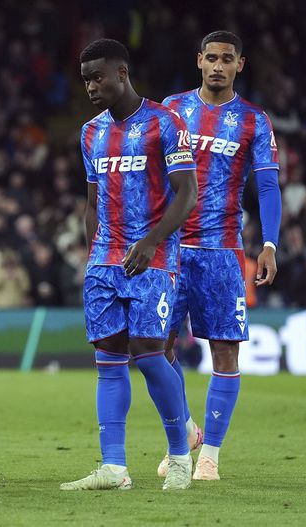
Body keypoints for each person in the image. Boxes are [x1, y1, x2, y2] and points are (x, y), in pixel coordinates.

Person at [60, 39, 198, 492]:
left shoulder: (165, 123)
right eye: (85, 81)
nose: (91, 87)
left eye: (98, 77)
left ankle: (180, 456)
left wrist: (152, 240)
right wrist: (93, 256)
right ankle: (114, 468)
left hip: (154, 258)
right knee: (108, 360)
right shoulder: (90, 132)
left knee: (149, 353)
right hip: (105, 261)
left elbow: (186, 193)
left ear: (122, 72)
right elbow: (91, 203)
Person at [160, 31, 282, 481]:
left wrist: (269, 243)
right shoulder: (171, 110)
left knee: (225, 353)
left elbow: (267, 186)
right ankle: (184, 433)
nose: (217, 66)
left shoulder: (253, 120)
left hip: (223, 253)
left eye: (226, 59)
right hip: (171, 250)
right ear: (198, 61)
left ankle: (209, 453)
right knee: (156, 348)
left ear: (239, 65)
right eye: (210, 58)